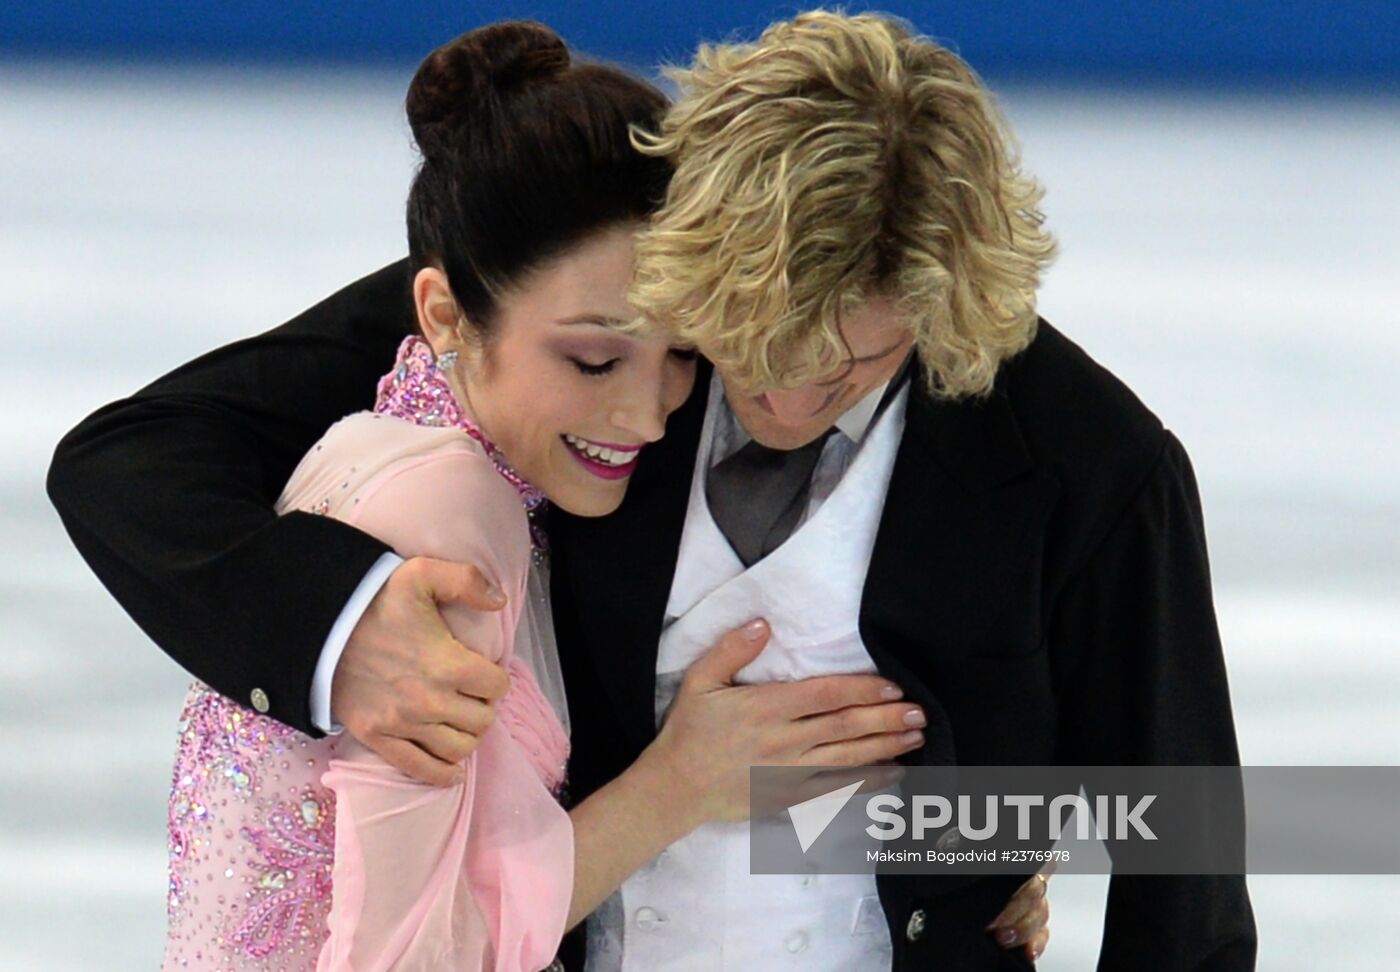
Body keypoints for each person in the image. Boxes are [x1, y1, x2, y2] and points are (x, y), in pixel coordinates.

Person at [152, 21, 962, 972]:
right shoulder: (446, 518)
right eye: (591, 357)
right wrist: (679, 785)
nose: (650, 415)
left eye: (684, 357)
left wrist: (977, 861)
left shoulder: (399, 453)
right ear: (444, 315)